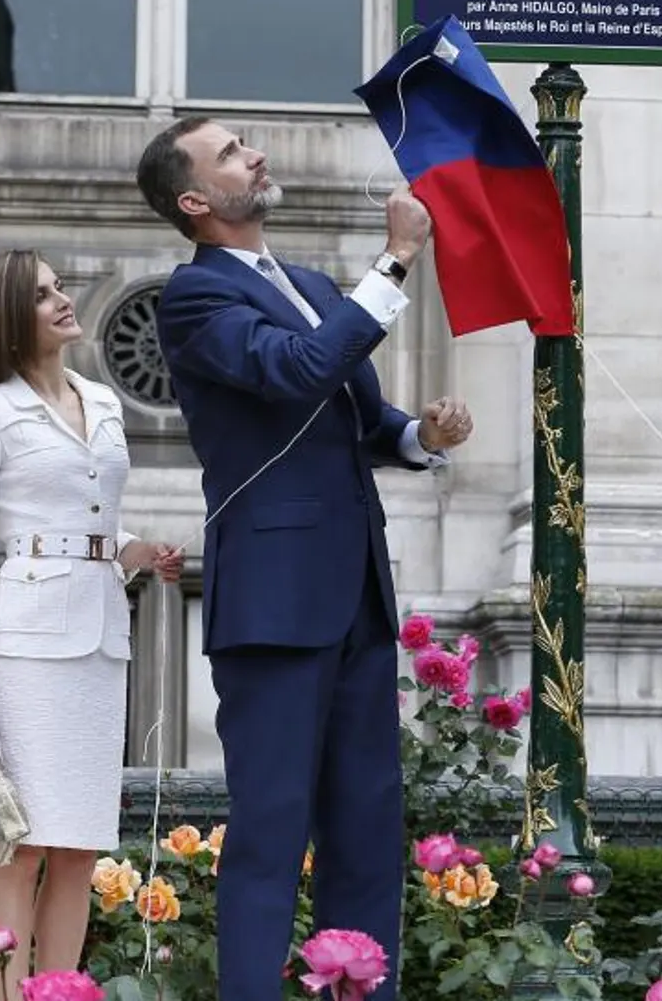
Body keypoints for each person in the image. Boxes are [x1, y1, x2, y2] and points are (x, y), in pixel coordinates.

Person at [135, 116, 474, 1001]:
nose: (255, 153)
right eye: (230, 153)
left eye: (247, 141)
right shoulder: (195, 297)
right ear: (197, 200)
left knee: (367, 825)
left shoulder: (315, 283)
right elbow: (294, 370)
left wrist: (420, 434)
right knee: (272, 830)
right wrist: (396, 261)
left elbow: (364, 421)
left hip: (355, 590)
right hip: (275, 599)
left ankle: (363, 990)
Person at [0, 248, 180, 999]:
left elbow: (95, 526)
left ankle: (59, 992)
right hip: (24, 646)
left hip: (100, 641)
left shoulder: (104, 402)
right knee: (19, 842)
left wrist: (138, 550)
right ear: (12, 319)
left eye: (59, 287)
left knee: (78, 846)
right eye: (44, 295)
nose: (63, 300)